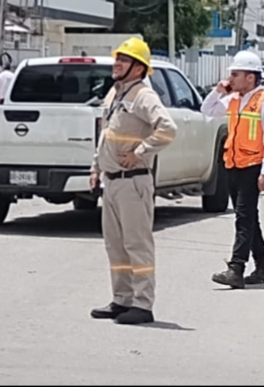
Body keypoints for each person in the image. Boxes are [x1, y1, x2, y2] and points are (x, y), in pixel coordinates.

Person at [89, 37, 177, 326]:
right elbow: (105, 136)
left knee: (137, 244)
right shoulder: (115, 94)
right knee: (115, 246)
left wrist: (140, 152)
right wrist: (95, 167)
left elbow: (167, 129)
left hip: (133, 183)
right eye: (118, 59)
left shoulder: (143, 96)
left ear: (139, 69)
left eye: (124, 60)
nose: (117, 64)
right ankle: (121, 299)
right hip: (112, 182)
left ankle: (142, 304)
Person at [201, 49, 264, 289]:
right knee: (248, 218)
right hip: (232, 165)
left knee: (244, 218)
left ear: (251, 77)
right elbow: (206, 110)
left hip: (252, 168)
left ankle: (236, 268)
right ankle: (262, 264)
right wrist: (218, 90)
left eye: (235, 74)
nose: (231, 79)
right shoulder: (233, 99)